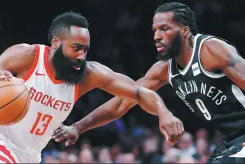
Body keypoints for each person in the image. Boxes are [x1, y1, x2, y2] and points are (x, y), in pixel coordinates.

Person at [0, 12, 184, 163]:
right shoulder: (27, 56)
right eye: (76, 48)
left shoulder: (88, 74)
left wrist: (163, 112)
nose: (81, 56)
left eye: (86, 50)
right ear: (57, 43)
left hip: (31, 156)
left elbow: (137, 91)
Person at [53, 2, 245, 163]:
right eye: (155, 30)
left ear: (185, 31)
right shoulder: (163, 70)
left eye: (165, 29)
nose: (156, 36)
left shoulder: (212, 50)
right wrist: (78, 127)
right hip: (230, 140)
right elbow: (122, 102)